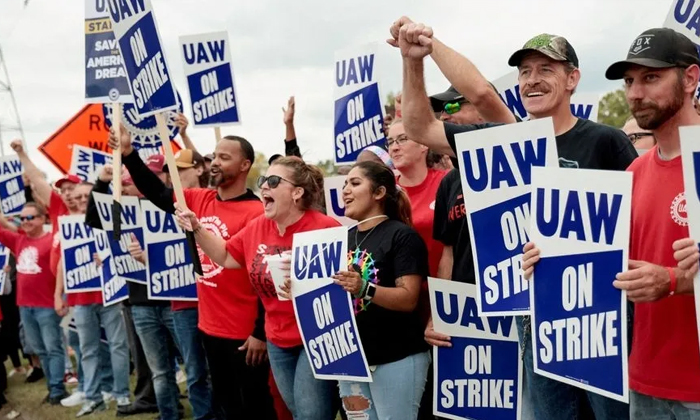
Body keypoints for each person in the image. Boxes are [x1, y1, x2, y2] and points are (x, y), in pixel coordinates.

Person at [389, 17, 637, 420]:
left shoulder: (605, 141)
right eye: (524, 71)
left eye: (546, 69)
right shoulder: (504, 142)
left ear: (573, 79)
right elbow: (418, 125)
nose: (531, 80)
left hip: (600, 320)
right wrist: (411, 60)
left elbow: (639, 220)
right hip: (533, 321)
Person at [108, 128, 281, 420]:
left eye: (224, 157)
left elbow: (267, 278)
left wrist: (259, 331)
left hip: (246, 334)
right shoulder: (199, 199)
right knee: (226, 404)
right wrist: (128, 154)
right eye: (214, 156)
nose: (214, 162)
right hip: (210, 327)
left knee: (254, 407)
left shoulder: (258, 213)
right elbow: (158, 193)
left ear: (244, 165)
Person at [175, 157, 340, 419]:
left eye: (273, 182)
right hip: (278, 339)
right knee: (299, 411)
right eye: (263, 180)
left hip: (315, 337)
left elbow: (347, 285)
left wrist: (306, 282)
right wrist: (196, 227)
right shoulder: (259, 226)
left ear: (297, 192)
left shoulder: (325, 227)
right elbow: (226, 256)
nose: (264, 186)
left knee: (311, 415)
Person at [605, 28, 700, 419]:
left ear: (691, 78)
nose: (635, 93)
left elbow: (671, 276)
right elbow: (608, 264)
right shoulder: (633, 172)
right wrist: (546, 261)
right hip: (643, 382)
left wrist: (676, 280)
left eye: (651, 77)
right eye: (629, 81)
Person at [333, 160, 430, 419]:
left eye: (355, 183)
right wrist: (299, 287)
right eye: (345, 184)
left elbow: (409, 298)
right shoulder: (342, 237)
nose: (345, 190)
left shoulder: (401, 236)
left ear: (379, 193)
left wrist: (365, 288)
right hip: (352, 359)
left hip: (396, 356)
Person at [86, 162, 176, 419]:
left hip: (174, 299)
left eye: (126, 183)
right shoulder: (121, 212)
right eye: (120, 184)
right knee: (157, 368)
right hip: (140, 301)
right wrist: (102, 183)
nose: (121, 188)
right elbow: (93, 218)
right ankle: (167, 410)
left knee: (192, 365)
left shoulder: (165, 207)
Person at [53, 182, 131, 416]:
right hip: (81, 297)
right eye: (78, 196)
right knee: (88, 350)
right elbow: (63, 262)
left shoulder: (109, 218)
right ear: (72, 199)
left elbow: (127, 246)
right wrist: (58, 293)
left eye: (87, 195)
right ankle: (94, 397)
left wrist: (109, 255)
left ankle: (122, 394)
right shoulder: (67, 223)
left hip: (110, 293)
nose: (82, 199)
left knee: (118, 346)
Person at [0, 202, 68, 404]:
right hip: (25, 306)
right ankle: (52, 388)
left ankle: (57, 389)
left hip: (46, 306)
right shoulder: (18, 240)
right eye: (23, 218)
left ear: (42, 219)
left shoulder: (52, 241)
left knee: (53, 348)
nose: (26, 222)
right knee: (40, 350)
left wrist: (60, 297)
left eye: (30, 217)